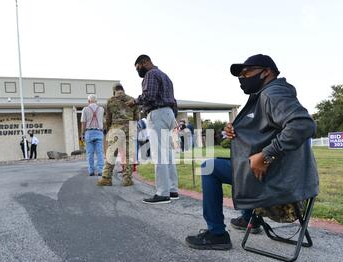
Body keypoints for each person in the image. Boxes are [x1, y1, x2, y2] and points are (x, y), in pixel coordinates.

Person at [186, 54, 319, 250]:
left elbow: (303, 124)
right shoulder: (265, 95)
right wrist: (235, 130)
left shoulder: (272, 94)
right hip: (282, 174)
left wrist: (267, 155)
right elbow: (265, 132)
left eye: (247, 72)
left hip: (277, 176)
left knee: (209, 167)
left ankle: (217, 234)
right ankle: (250, 219)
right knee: (232, 164)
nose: (243, 77)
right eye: (240, 74)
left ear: (266, 72)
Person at [127, 54, 179, 204]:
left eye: (138, 67)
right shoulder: (165, 76)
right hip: (169, 113)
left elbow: (148, 96)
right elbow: (174, 101)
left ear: (145, 62)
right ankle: (172, 189)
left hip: (157, 114)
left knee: (159, 154)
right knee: (168, 154)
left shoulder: (150, 74)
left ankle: (162, 193)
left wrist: (134, 102)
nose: (138, 71)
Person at [97, 83, 138, 187]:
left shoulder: (111, 101)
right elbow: (136, 117)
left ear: (114, 91)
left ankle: (106, 178)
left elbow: (108, 119)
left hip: (115, 129)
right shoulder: (132, 99)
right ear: (123, 90)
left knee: (111, 154)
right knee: (128, 155)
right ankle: (127, 179)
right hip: (129, 128)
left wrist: (108, 129)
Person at [81, 94, 105, 176]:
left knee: (89, 153)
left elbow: (83, 122)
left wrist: (82, 133)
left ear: (88, 101)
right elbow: (103, 121)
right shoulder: (101, 109)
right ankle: (100, 171)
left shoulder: (85, 109)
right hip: (99, 132)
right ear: (96, 101)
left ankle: (91, 170)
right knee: (100, 153)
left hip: (89, 132)